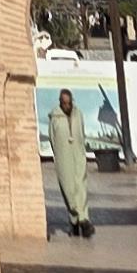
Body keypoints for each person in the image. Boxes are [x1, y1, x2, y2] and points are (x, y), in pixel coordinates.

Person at [49, 84, 94, 238]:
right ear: (60, 102)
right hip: (63, 157)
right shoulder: (55, 117)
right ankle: (74, 219)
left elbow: (82, 132)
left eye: (69, 103)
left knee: (81, 186)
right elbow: (52, 139)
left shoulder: (78, 114)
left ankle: (83, 219)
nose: (67, 106)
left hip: (78, 154)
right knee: (68, 189)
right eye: (64, 103)